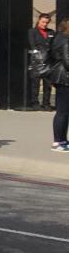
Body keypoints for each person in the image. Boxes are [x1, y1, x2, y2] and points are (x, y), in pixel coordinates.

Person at [49, 17, 69, 152]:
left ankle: (61, 140)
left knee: (63, 111)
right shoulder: (66, 41)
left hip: (60, 78)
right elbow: (68, 61)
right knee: (63, 111)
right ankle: (58, 141)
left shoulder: (58, 38)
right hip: (65, 78)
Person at [31, 12, 55, 111]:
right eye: (43, 22)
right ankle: (35, 103)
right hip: (37, 61)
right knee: (35, 84)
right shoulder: (32, 32)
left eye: (46, 22)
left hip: (48, 61)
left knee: (47, 84)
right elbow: (33, 45)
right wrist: (39, 55)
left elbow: (53, 45)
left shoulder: (51, 32)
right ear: (39, 20)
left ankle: (46, 103)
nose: (44, 24)